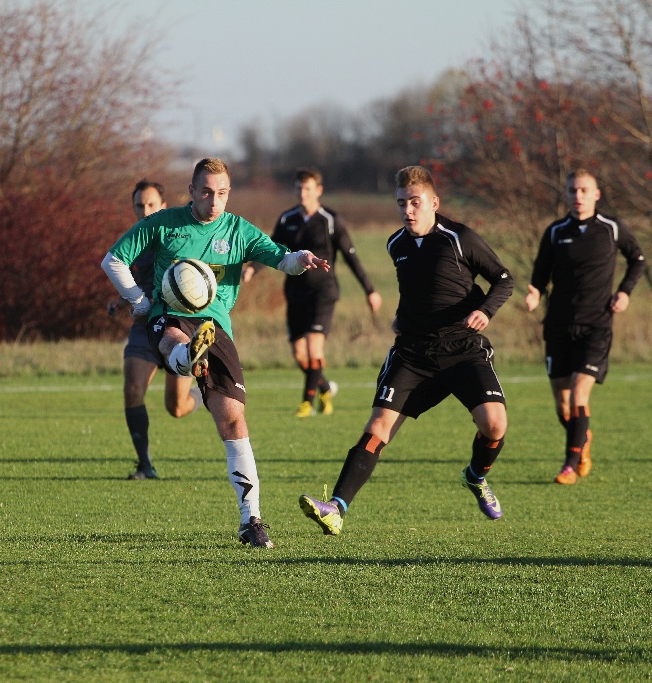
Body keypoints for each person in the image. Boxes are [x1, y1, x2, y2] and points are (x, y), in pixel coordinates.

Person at [102, 158, 330, 548]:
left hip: (216, 329)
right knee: (173, 336)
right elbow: (113, 260)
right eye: (206, 192)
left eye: (221, 193)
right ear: (191, 191)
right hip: (169, 315)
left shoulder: (238, 231)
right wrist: (139, 301)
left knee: (233, 420)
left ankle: (251, 520)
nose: (214, 200)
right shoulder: (163, 224)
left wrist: (301, 259)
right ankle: (187, 357)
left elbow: (280, 257)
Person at [298, 165, 514, 535]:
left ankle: (476, 476)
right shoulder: (395, 244)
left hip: (463, 348)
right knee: (378, 427)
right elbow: (418, 290)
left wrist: (484, 310)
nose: (408, 211)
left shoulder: (459, 238)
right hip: (413, 352)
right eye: (401, 204)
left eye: (415, 202)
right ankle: (335, 507)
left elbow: (504, 280)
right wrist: (401, 316)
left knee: (494, 425)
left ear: (434, 202)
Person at [525, 169, 646, 485]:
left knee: (579, 394)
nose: (577, 196)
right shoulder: (555, 231)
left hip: (596, 325)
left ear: (596, 194)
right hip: (558, 326)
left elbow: (639, 259)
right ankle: (583, 439)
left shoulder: (612, 228)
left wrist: (624, 292)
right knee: (562, 402)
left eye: (583, 190)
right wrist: (534, 293)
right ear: (565, 195)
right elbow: (540, 273)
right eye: (571, 190)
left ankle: (569, 464)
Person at [242, 168, 382, 417]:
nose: (302, 193)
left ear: (318, 190)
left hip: (323, 292)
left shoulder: (330, 220)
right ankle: (325, 388)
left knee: (314, 348)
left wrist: (370, 290)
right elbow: (271, 249)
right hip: (295, 292)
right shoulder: (287, 220)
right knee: (299, 354)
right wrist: (253, 267)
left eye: (307, 188)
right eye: (298, 188)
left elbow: (352, 258)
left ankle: (306, 403)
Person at [112, 180, 204, 481]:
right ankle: (145, 465)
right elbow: (131, 281)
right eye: (140, 205)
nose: (146, 210)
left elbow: (194, 284)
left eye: (151, 204)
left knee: (176, 408)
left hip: (176, 327)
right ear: (134, 207)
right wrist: (120, 300)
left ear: (163, 206)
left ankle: (200, 395)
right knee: (132, 389)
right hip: (143, 329)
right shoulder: (134, 242)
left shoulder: (177, 238)